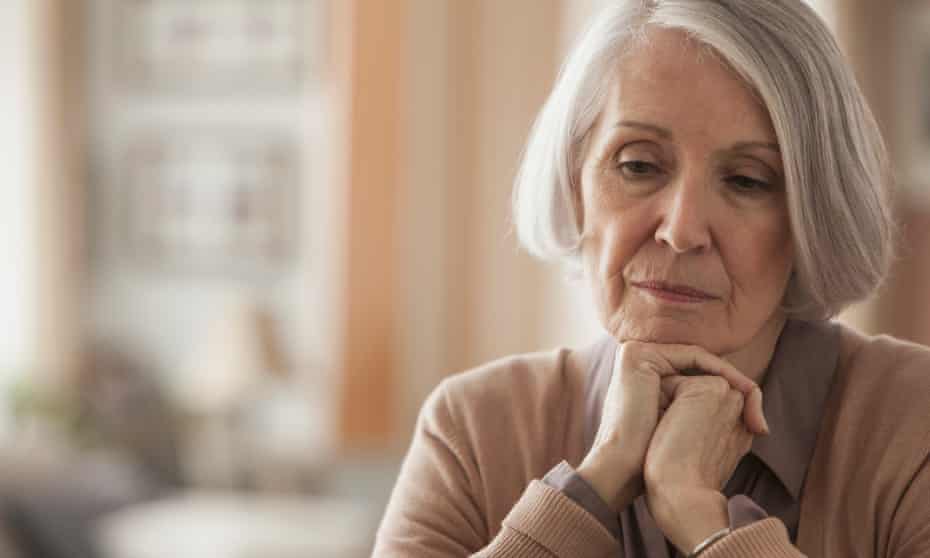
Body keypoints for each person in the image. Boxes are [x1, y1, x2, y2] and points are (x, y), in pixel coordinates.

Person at [374, 1, 930, 556]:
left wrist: (698, 513)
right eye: (638, 165)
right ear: (575, 184)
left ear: (813, 214)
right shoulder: (471, 430)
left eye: (746, 180)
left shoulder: (914, 425)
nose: (682, 230)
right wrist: (592, 485)